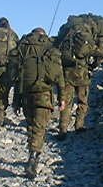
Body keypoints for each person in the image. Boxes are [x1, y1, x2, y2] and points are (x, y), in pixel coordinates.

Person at [12, 27, 65, 178]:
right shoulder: (50, 49)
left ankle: (32, 152)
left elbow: (17, 77)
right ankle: (33, 157)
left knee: (30, 126)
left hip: (26, 94)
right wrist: (62, 98)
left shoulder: (23, 48)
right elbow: (59, 77)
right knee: (40, 128)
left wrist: (16, 101)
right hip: (44, 95)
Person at [57, 27, 100, 139]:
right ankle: (79, 126)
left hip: (68, 75)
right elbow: (100, 54)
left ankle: (63, 129)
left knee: (66, 102)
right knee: (83, 101)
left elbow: (59, 56)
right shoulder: (87, 41)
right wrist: (93, 65)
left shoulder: (67, 41)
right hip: (83, 75)